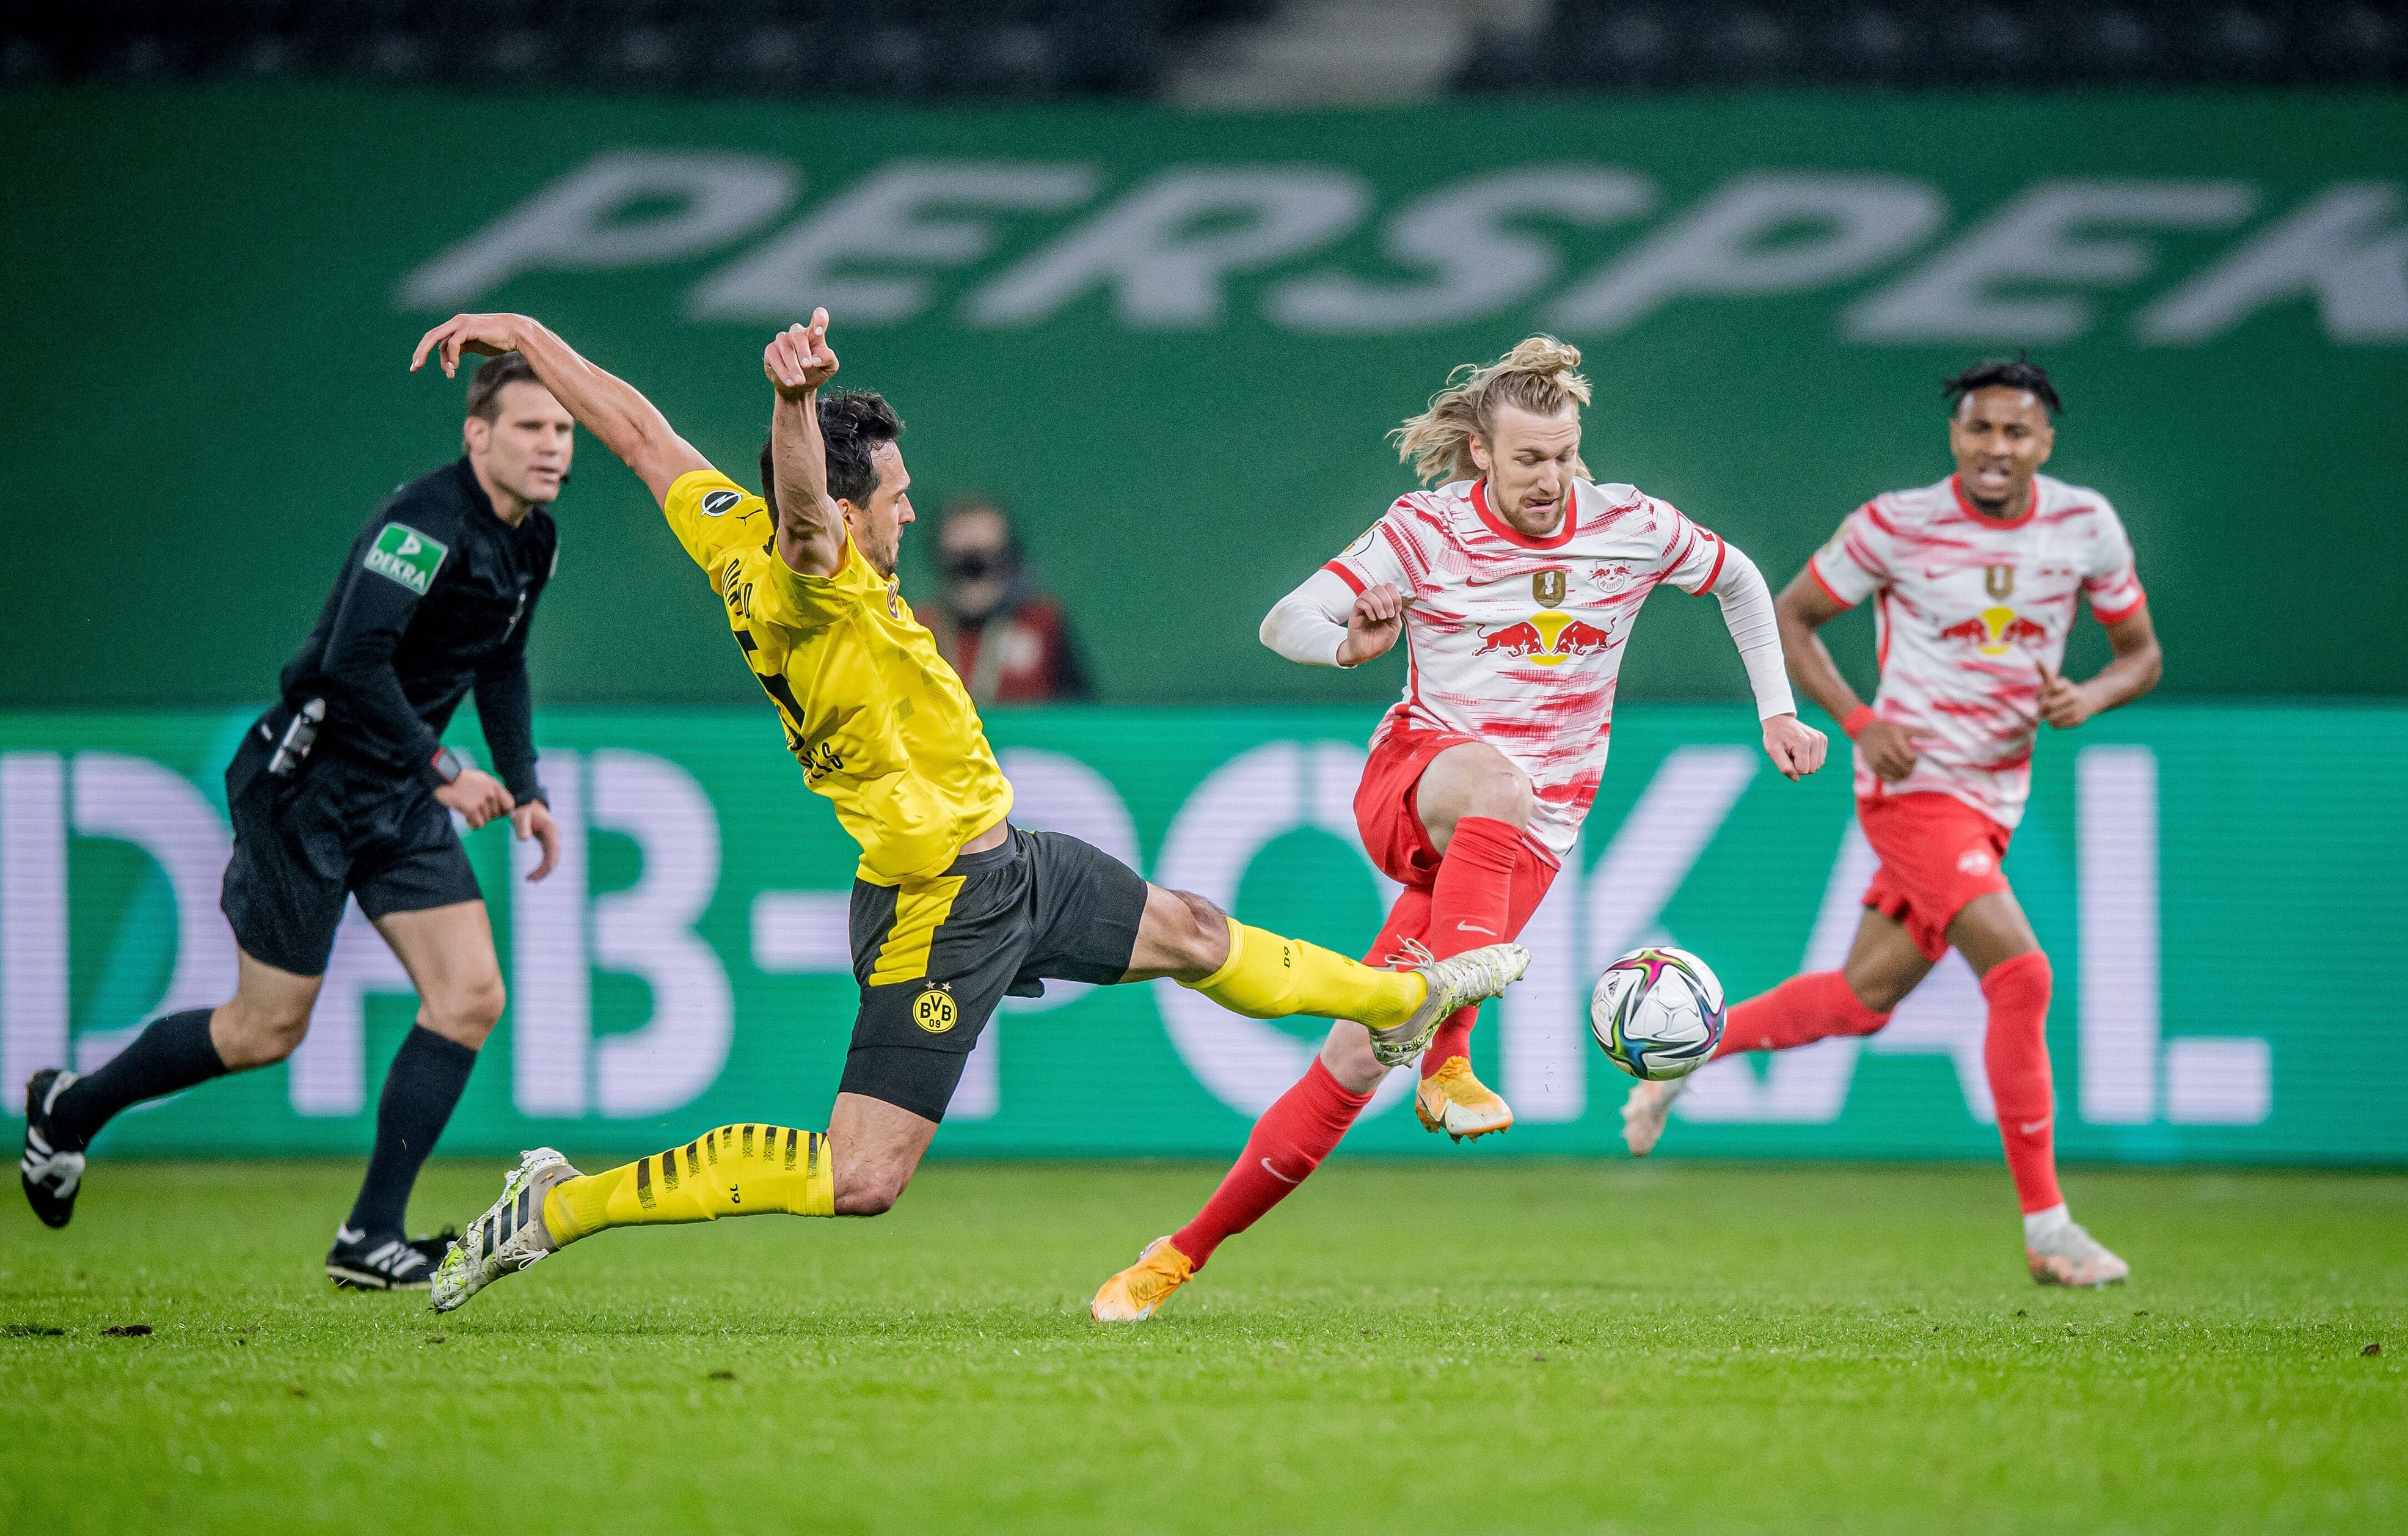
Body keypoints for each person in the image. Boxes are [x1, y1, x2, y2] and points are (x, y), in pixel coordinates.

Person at [404, 308, 1530, 1314]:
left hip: (1011, 865)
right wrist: (794, 400)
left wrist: (536, 339)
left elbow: (646, 439)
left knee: (1190, 931)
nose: (906, 508)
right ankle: (562, 1203)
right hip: (934, 903)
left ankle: (1408, 999)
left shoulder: (726, 529)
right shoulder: (815, 571)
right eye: (892, 494)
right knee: (861, 1177)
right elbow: (805, 516)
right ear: (847, 509)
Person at [1090, 337, 1827, 1323]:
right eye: (1530, 459)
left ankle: (1178, 1254)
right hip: (1420, 784)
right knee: (1497, 779)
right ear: (1482, 451)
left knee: (1354, 1061)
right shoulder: (1426, 530)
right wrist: (1351, 643)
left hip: (1526, 842)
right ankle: (1447, 1057)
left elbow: (1739, 579)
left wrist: (1775, 709)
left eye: (1565, 455)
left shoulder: (1630, 526)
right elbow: (1284, 621)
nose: (1552, 478)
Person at [19, 355, 569, 1290]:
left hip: (392, 792)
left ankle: (369, 1238)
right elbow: (353, 663)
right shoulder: (425, 524)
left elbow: (501, 663)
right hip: (306, 783)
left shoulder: (533, 541)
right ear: (478, 435)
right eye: (530, 428)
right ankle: (68, 1113)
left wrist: (525, 783)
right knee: (264, 1030)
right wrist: (443, 765)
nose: (553, 446)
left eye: (563, 430)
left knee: (471, 996)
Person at [1622, 357, 2162, 1290]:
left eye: (2016, 432)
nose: (1997, 448)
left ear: (2046, 442)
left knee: (1862, 1000)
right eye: (1980, 429)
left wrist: (2093, 695)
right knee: (2022, 976)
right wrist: (1861, 722)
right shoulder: (1896, 525)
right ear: (1957, 436)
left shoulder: (2087, 527)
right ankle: (2050, 1230)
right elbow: (1794, 615)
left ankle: (1687, 1055)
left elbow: (2141, 655)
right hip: (1913, 793)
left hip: (1997, 795)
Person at [914, 496, 1093, 702]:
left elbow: (1082, 714)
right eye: (960, 561)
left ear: (1011, 559)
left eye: (989, 557)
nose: (975, 571)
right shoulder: (917, 628)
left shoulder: (1044, 625)